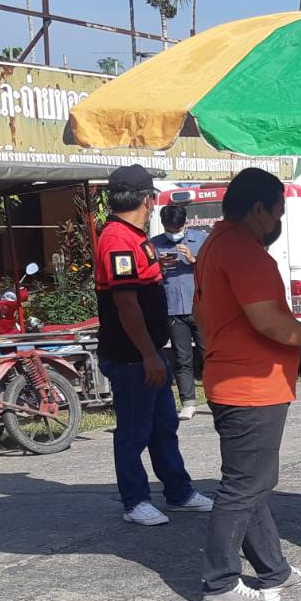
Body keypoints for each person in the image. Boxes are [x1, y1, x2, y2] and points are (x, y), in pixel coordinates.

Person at [193, 168, 301, 601]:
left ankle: (272, 568)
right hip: (250, 386)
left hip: (236, 377)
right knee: (246, 485)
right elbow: (270, 322)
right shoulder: (244, 252)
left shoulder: (215, 245)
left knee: (255, 481)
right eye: (278, 210)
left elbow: (232, 321)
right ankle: (220, 582)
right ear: (259, 209)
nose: (279, 220)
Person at [95, 164, 212, 523]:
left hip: (149, 351)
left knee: (164, 426)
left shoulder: (135, 236)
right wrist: (148, 354)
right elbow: (126, 304)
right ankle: (135, 500)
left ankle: (178, 490)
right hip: (132, 355)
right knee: (133, 431)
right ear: (149, 199)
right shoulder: (117, 238)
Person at [152, 203, 206, 421]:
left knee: (209, 353)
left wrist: (194, 261)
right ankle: (188, 402)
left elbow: (214, 269)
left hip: (200, 307)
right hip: (174, 309)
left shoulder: (200, 239)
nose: (173, 233)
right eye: (169, 229)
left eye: (177, 228)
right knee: (182, 357)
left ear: (185, 223)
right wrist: (158, 265)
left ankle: (216, 397)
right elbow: (146, 274)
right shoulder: (155, 244)